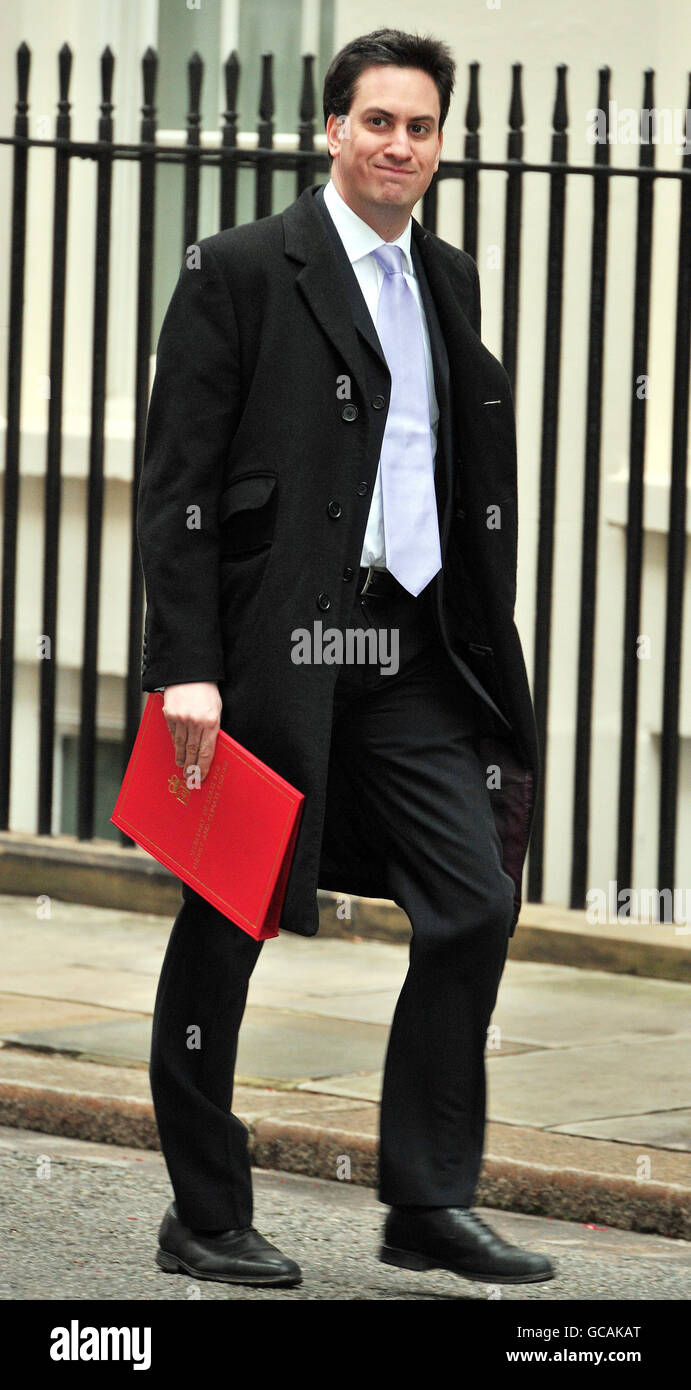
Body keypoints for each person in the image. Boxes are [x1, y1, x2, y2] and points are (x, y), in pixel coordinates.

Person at [136, 27, 555, 1290]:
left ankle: (426, 1200)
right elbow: (178, 485)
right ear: (332, 130)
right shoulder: (244, 269)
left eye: (420, 126)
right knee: (226, 917)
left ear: (439, 142)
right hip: (271, 651)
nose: (399, 145)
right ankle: (202, 1212)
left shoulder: (449, 279)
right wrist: (186, 666)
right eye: (377, 121)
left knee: (475, 901)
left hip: (407, 642)